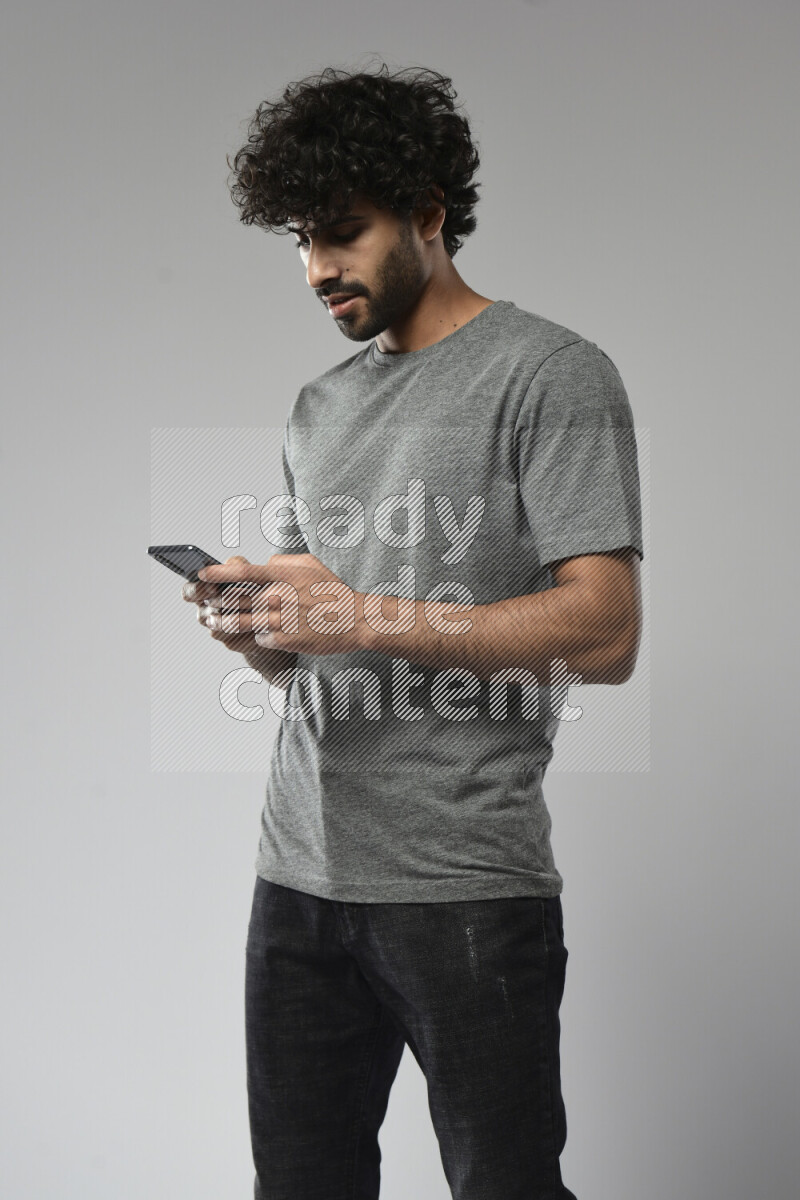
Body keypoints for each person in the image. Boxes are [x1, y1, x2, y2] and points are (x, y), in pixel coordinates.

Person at [183, 63, 643, 1200]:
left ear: (429, 215)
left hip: (464, 885)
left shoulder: (552, 375)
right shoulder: (318, 407)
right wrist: (261, 629)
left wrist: (359, 614)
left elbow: (606, 631)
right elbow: (315, 652)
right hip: (297, 876)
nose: (315, 269)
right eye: (301, 240)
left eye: (342, 233)